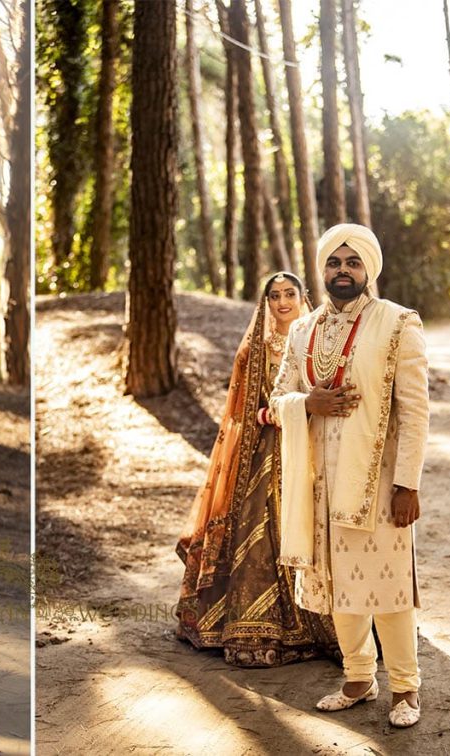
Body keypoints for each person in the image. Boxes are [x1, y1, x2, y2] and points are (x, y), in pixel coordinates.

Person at [269, 224, 429, 728]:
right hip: (318, 481)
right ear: (323, 269)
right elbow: (276, 402)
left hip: (378, 482)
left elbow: (415, 410)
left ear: (369, 270)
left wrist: (408, 484)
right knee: (338, 583)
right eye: (334, 263)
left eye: (352, 262)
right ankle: (358, 676)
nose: (343, 271)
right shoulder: (302, 330)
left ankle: (406, 687)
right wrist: (306, 403)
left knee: (388, 585)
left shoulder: (398, 323)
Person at [176, 271, 338, 667]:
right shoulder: (255, 352)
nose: (282, 302)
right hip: (268, 450)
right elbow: (240, 416)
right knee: (262, 535)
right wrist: (287, 412)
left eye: (289, 294)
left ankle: (338, 626)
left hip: (316, 447)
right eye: (274, 296)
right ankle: (260, 628)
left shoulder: (319, 341)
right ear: (265, 303)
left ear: (303, 298)